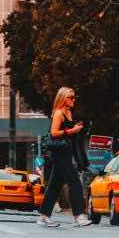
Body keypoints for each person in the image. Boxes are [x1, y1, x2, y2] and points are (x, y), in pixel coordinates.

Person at [38, 87, 91, 228]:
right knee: (74, 183)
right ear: (63, 98)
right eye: (71, 97)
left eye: (74, 97)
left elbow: (67, 131)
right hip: (59, 153)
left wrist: (75, 127)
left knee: (54, 186)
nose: (74, 100)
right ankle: (78, 216)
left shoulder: (69, 112)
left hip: (67, 152)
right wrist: (72, 130)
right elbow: (54, 133)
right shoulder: (58, 113)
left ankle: (44, 216)